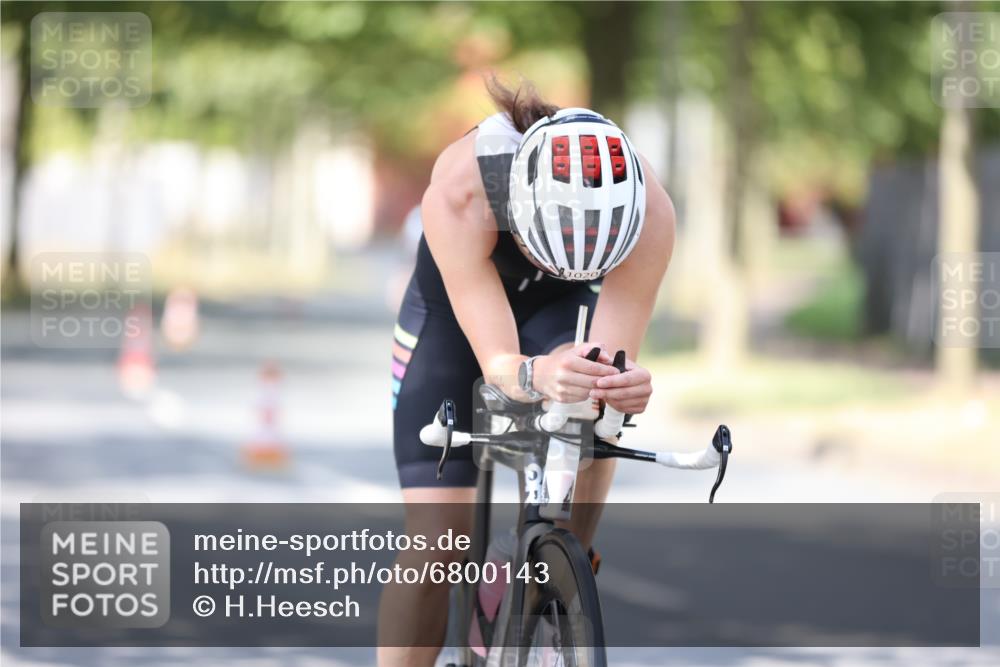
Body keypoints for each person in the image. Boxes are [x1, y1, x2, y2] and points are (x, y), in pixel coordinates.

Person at [379, 77, 676, 666]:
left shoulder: (650, 212)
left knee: (593, 414)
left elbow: (607, 370)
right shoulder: (464, 190)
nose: (563, 258)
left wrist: (618, 385)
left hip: (559, 309)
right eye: (556, 243)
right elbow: (499, 367)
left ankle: (562, 570)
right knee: (439, 537)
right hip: (452, 311)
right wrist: (536, 374)